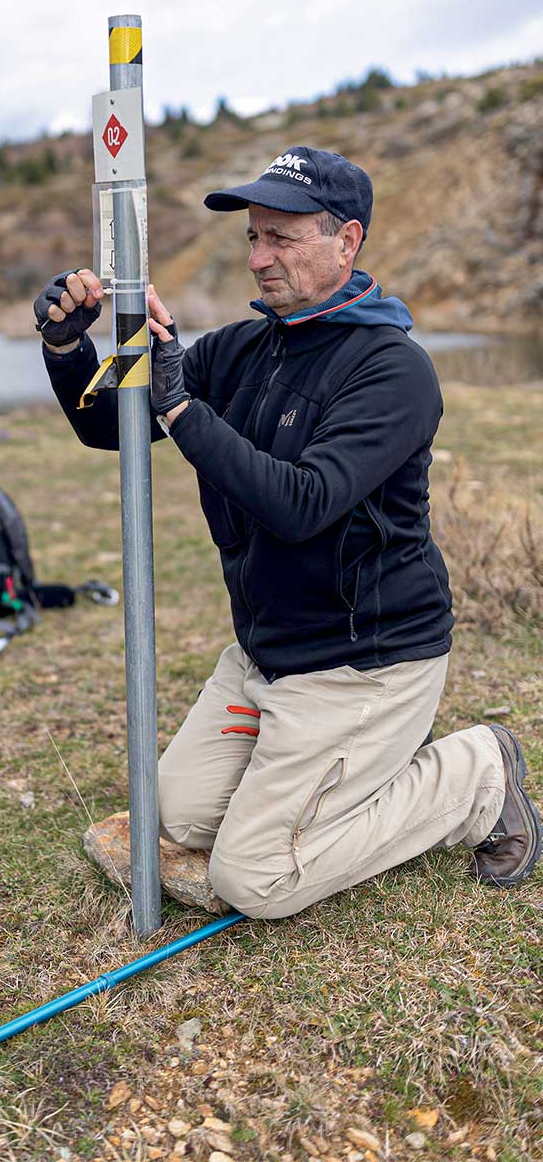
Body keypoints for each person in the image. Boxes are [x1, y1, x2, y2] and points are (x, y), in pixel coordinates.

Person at [33, 146, 541, 918]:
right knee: (179, 817)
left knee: (254, 878)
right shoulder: (243, 348)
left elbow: (305, 503)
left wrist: (184, 410)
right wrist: (68, 348)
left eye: (283, 238)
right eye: (253, 238)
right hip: (266, 656)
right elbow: (110, 429)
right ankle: (306, 773)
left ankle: (477, 774)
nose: (260, 259)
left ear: (348, 241)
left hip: (364, 663)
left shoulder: (392, 370)